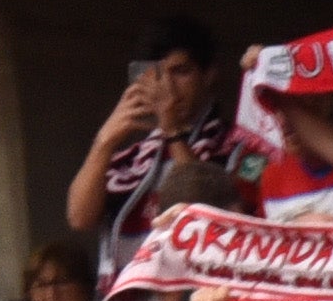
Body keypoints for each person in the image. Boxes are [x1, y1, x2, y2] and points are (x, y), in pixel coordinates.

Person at [63, 14, 228, 239]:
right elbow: (80, 218)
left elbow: (211, 219)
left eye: (180, 72)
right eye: (157, 75)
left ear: (208, 75)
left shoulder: (234, 144)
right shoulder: (134, 156)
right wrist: (104, 141)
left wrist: (173, 131)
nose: (168, 87)